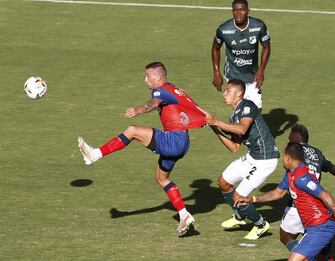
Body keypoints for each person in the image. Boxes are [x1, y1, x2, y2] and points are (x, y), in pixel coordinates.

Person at [77, 62, 206, 235]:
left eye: (148, 76)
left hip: (174, 140)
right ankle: (184, 214)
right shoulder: (174, 89)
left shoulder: (161, 90)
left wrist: (138, 110)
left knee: (132, 131)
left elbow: (154, 103)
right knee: (161, 178)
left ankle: (94, 155)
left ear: (158, 77)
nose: (145, 80)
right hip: (183, 142)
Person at [234, 142, 335, 261]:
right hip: (314, 228)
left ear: (288, 158)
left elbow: (326, 195)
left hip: (321, 227)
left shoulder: (302, 178)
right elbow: (277, 193)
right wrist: (252, 199)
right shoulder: (291, 175)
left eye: (283, 157)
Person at [205, 79, 279, 240]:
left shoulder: (248, 106)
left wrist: (217, 121)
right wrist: (215, 128)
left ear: (239, 94)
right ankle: (239, 217)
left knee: (239, 195)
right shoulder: (233, 117)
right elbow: (234, 147)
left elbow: (243, 128)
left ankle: (261, 225)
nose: (224, 94)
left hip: (266, 160)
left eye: (228, 91)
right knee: (223, 183)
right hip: (252, 156)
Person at [280, 124, 335, 252]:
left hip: (298, 204)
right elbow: (331, 167)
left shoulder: (293, 153)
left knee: (286, 236)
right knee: (322, 249)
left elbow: (286, 171)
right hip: (318, 205)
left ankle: (303, 256)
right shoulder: (316, 153)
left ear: (293, 137)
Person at [212, 0, 271, 109]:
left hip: (253, 76)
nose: (238, 13)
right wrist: (216, 72)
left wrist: (261, 70)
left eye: (242, 10)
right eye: (235, 10)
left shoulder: (258, 26)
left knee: (256, 110)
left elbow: (266, 46)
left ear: (248, 11)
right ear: (232, 11)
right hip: (233, 76)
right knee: (241, 111)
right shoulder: (224, 29)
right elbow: (215, 48)